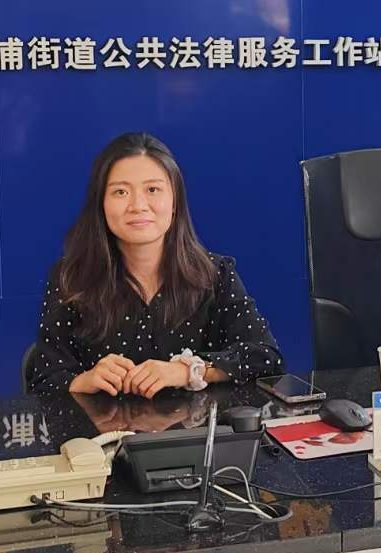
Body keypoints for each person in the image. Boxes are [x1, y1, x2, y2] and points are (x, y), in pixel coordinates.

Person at [28, 132, 282, 398]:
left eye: (152, 190)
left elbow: (266, 357)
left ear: (174, 202)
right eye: (120, 192)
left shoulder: (215, 274)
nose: (138, 206)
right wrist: (85, 380)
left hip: (197, 425)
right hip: (102, 426)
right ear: (101, 204)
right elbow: (44, 380)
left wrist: (189, 371)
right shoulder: (70, 278)